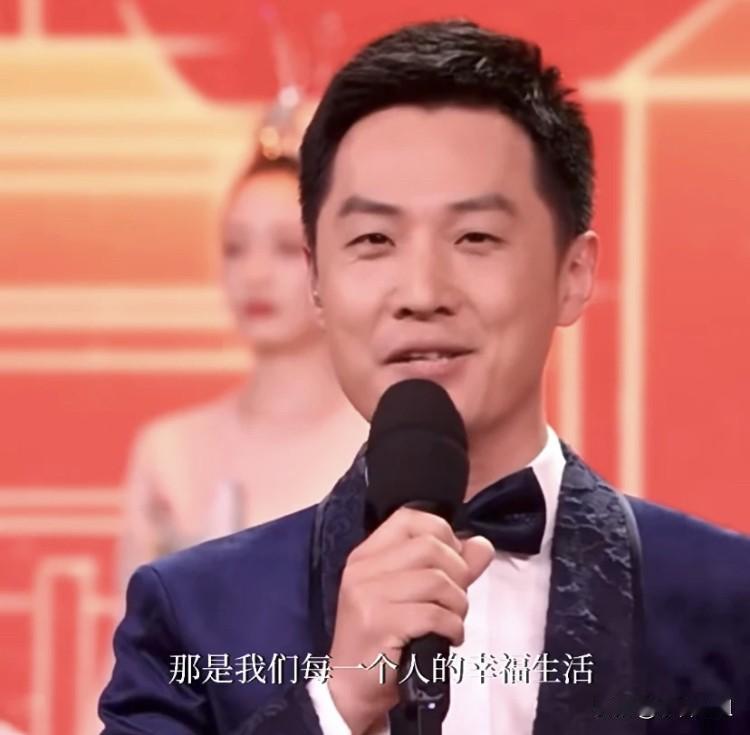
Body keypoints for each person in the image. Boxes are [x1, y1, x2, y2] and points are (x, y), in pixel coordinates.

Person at [99, 20, 750, 735]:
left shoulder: (728, 603)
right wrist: (335, 706)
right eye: (373, 239)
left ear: (573, 274)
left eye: (475, 237)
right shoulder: (192, 616)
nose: (420, 292)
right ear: (318, 282)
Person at [120, 145, 368, 576]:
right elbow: (134, 615)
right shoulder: (170, 450)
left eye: (287, 248)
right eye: (235, 248)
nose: (255, 274)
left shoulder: (380, 446)